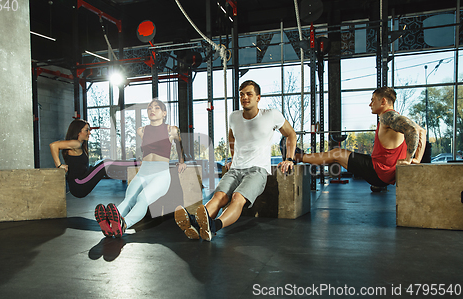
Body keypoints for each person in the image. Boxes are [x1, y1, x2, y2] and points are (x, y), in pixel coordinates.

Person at [174, 80, 297, 241]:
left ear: (258, 98)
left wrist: (289, 158)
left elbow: (291, 134)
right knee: (218, 197)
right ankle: (196, 224)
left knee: (237, 198)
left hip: (257, 170)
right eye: (241, 94)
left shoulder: (271, 114)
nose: (244, 97)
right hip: (235, 169)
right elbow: (232, 136)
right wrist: (233, 158)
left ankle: (213, 226)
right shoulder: (234, 116)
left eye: (249, 94)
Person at [293, 86, 426, 187]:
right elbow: (422, 132)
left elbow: (413, 130)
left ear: (383, 101)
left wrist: (409, 159)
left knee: (337, 154)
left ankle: (298, 156)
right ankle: (301, 157)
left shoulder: (387, 116)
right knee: (338, 156)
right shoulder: (396, 118)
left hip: (379, 171)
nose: (370, 104)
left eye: (373, 100)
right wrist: (417, 159)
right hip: (384, 170)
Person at [95, 99, 187, 238]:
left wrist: (181, 161)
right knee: (129, 199)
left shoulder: (171, 129)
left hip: (161, 174)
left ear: (164, 113)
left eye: (156, 108)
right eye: (150, 108)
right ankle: (109, 224)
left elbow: (179, 145)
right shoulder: (141, 130)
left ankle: (124, 224)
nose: (152, 110)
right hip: (144, 172)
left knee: (142, 199)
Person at [50, 119, 137, 198]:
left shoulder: (78, 144)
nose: (89, 133)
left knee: (103, 164)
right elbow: (53, 145)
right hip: (79, 184)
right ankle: (137, 162)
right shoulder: (76, 143)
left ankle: (134, 162)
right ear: (78, 132)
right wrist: (59, 165)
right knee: (105, 163)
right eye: (86, 130)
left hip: (78, 183)